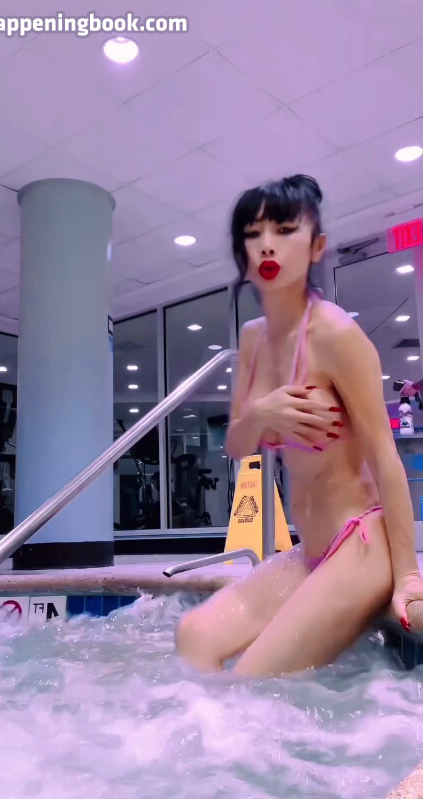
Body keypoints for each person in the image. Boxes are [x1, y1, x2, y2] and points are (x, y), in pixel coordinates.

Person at [175, 174, 423, 678]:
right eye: (253, 234)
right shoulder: (253, 340)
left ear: (316, 247)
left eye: (285, 231)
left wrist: (409, 576)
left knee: (250, 681)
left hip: (360, 542)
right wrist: (263, 413)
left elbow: (385, 456)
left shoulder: (336, 334)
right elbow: (236, 443)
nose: (267, 245)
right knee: (192, 634)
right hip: (309, 551)